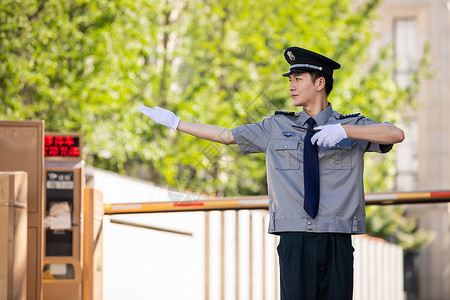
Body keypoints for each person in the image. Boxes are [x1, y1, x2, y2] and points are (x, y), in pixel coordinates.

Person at [139, 46, 404, 300]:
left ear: (320, 83)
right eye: (291, 79)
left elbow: (395, 134)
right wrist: (176, 123)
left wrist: (345, 132)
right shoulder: (276, 126)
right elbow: (226, 135)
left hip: (338, 236)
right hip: (294, 237)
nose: (291, 86)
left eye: (298, 79)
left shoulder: (352, 125)